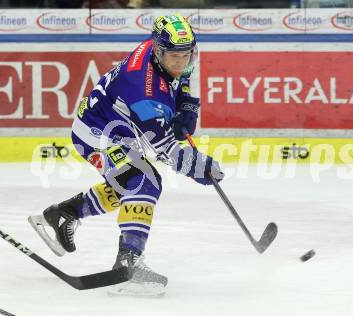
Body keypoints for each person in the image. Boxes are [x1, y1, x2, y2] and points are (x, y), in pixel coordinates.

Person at [28, 14, 224, 296]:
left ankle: (64, 214)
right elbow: (166, 150)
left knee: (129, 188)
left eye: (186, 54)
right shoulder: (144, 92)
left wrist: (188, 106)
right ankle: (128, 262)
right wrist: (200, 167)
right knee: (144, 181)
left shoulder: (167, 50)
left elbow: (188, 73)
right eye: (174, 57)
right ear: (158, 51)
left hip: (119, 127)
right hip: (98, 134)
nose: (181, 62)